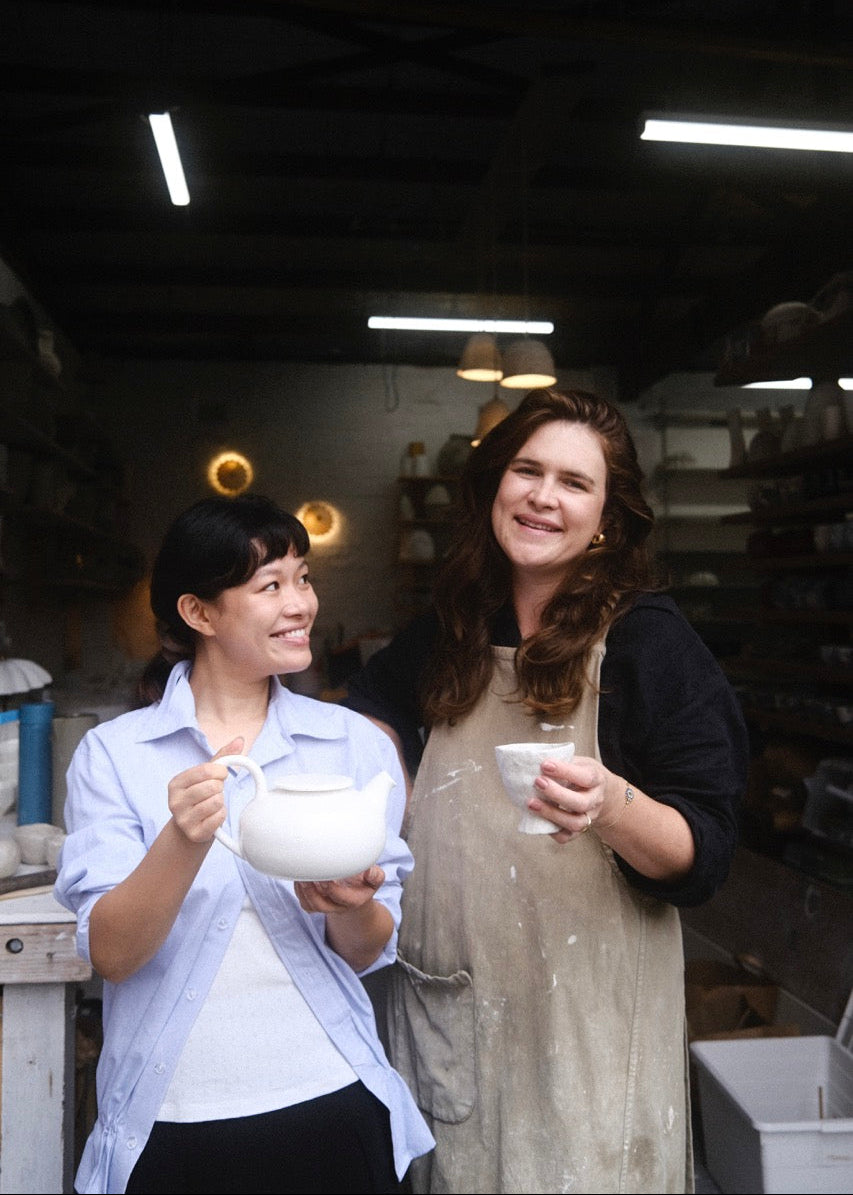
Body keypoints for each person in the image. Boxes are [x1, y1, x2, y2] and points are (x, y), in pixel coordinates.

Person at [343, 387, 749, 1194]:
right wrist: (380, 795)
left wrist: (612, 805)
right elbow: (371, 709)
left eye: (573, 482)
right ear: (495, 484)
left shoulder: (648, 642)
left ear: (605, 515)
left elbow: (703, 853)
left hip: (586, 1036)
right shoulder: (455, 626)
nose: (542, 496)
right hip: (451, 1015)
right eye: (526, 470)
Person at [54, 493, 434, 1195]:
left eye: (304, 578)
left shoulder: (351, 743)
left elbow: (371, 947)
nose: (301, 604)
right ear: (199, 612)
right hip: (169, 1123)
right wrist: (183, 839)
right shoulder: (114, 754)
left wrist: (348, 905)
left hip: (334, 1101)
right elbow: (112, 952)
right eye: (270, 585)